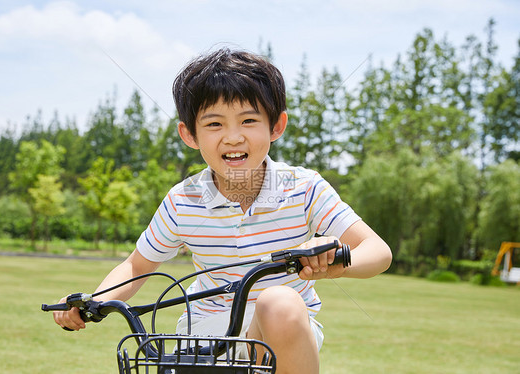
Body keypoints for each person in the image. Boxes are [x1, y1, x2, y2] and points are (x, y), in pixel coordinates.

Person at [53, 47, 392, 374]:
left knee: (280, 301)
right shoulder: (182, 201)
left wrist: (334, 265)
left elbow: (378, 252)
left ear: (276, 127)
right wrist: (94, 301)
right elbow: (136, 265)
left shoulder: (304, 188)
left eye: (248, 120)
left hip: (285, 331)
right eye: (214, 124)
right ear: (190, 134)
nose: (232, 137)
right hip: (207, 333)